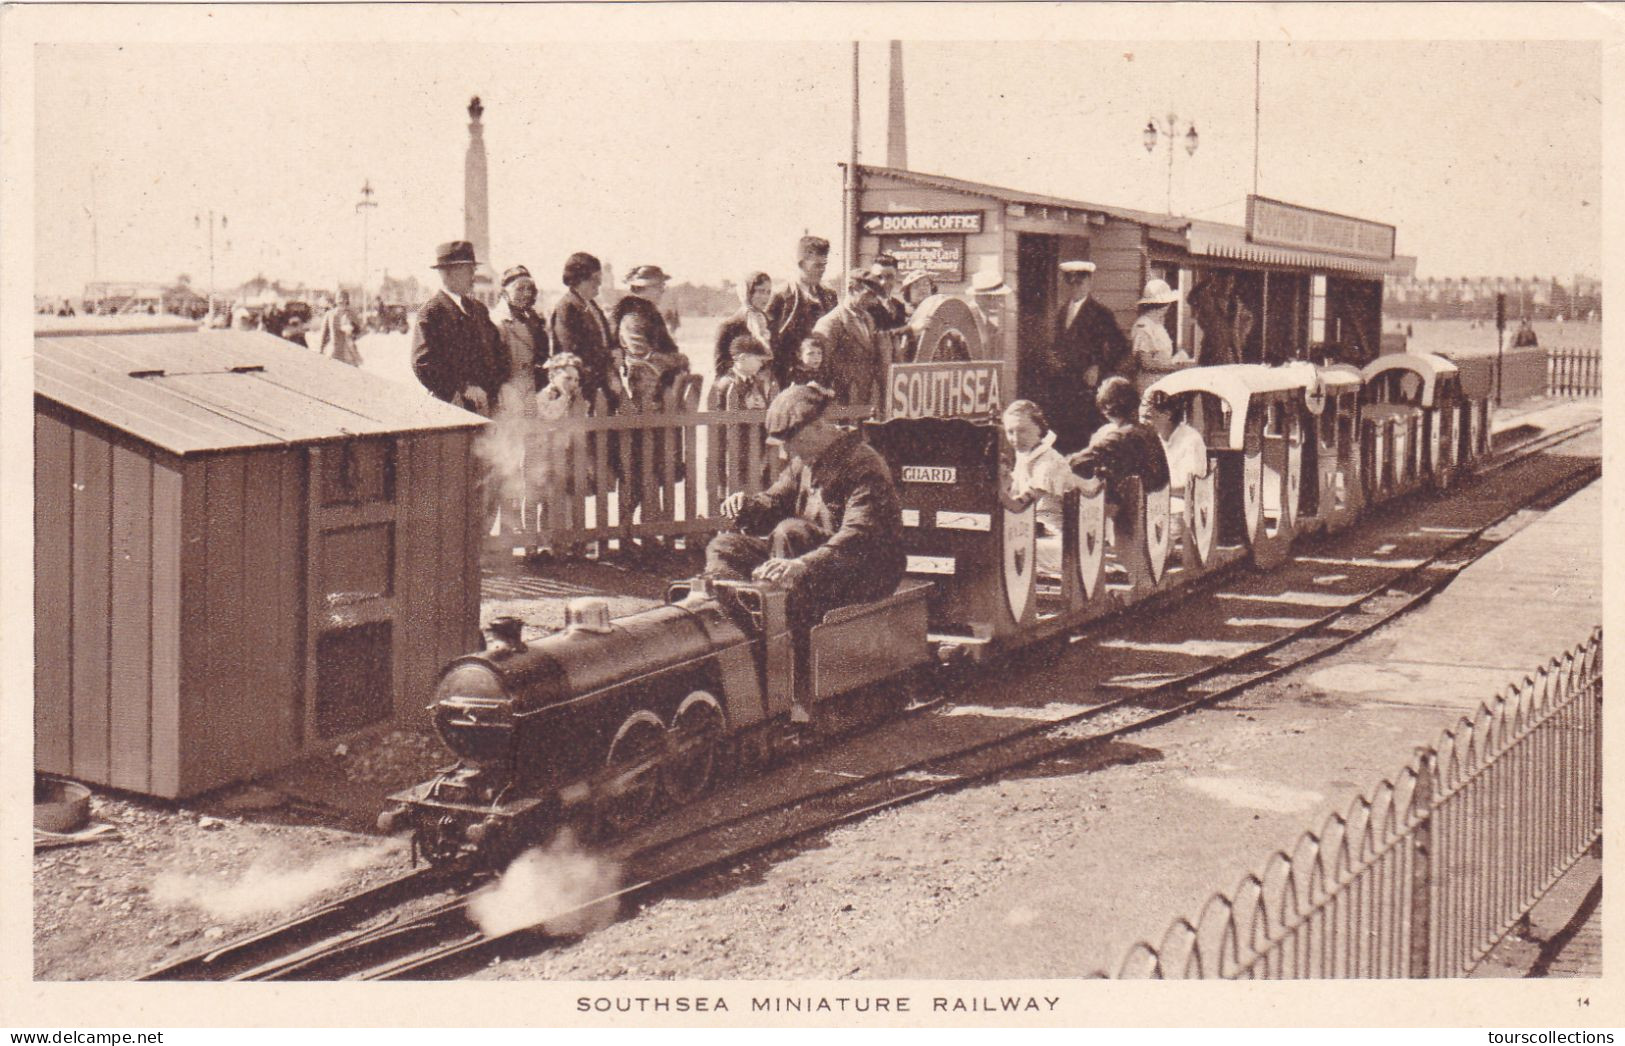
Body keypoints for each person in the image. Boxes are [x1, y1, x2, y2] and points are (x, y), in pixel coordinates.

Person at [705, 383, 906, 632]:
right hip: (809, 561)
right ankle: (736, 627)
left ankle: (788, 635)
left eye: (792, 441)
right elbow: (774, 501)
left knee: (790, 532)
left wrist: (802, 564)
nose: (786, 451)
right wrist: (746, 506)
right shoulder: (805, 461)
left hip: (866, 571)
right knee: (724, 547)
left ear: (819, 427)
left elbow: (859, 535)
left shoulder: (864, 464)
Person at [1047, 260, 1132, 453]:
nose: (1075, 287)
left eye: (1080, 282)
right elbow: (1058, 344)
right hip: (1064, 385)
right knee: (1064, 435)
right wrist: (1053, 357)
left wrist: (1099, 368)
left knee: (1085, 436)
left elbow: (1121, 347)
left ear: (1089, 282)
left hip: (1087, 389)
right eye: (1071, 283)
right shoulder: (1062, 313)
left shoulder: (1101, 313)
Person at [411, 240, 504, 416]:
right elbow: (423, 363)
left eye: (473, 269)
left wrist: (492, 388)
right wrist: (461, 388)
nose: (473, 276)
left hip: (485, 405)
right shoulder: (431, 313)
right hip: (450, 407)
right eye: (469, 270)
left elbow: (497, 351)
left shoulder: (478, 310)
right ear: (449, 273)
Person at [1067, 377, 1170, 534]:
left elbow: (1077, 462)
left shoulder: (1122, 435)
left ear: (1107, 408)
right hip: (1156, 512)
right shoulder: (1148, 432)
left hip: (1134, 515)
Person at [1001, 399, 1090, 577]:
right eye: (1010, 432)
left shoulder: (1048, 462)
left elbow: (1021, 504)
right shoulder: (1025, 455)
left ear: (1039, 429)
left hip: (1060, 542)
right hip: (1034, 533)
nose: (1016, 438)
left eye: (1023, 430)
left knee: (1001, 550)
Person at [549, 251, 625, 414]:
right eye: (595, 279)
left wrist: (617, 351)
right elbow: (571, 354)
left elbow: (607, 340)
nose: (599, 285)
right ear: (579, 279)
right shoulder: (567, 307)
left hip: (604, 388)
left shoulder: (592, 305)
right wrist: (607, 371)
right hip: (585, 391)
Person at [613, 264, 691, 413]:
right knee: (651, 431)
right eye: (659, 286)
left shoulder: (647, 313)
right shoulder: (633, 316)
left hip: (660, 384)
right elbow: (642, 354)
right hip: (647, 385)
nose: (663, 290)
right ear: (645, 287)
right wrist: (677, 360)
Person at [766, 235, 838, 385]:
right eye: (816, 266)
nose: (822, 271)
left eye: (824, 265)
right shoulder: (781, 296)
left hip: (823, 379)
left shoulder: (829, 296)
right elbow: (769, 343)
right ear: (801, 264)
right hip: (789, 379)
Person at [812, 271, 888, 406]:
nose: (873, 301)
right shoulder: (830, 323)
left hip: (865, 399)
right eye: (868, 295)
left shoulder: (868, 319)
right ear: (851, 289)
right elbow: (821, 369)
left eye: (875, 297)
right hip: (841, 402)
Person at [1145, 390, 1208, 546]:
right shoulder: (1151, 438)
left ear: (1167, 415)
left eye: (1148, 416)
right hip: (1158, 503)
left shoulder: (1191, 440)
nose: (1144, 422)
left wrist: (1152, 489)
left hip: (1184, 507)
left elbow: (1190, 488)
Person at [490, 264, 551, 418]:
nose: (526, 294)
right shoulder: (497, 321)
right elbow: (491, 364)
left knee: (532, 434)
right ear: (504, 292)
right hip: (507, 391)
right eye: (519, 289)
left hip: (530, 387)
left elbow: (540, 356)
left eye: (529, 288)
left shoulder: (532, 319)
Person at [1130, 279, 1191, 388]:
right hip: (1150, 384)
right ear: (1163, 305)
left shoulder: (1157, 325)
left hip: (1162, 381)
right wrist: (1175, 367)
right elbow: (1146, 363)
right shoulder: (1144, 326)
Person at [713, 271, 774, 381]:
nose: (765, 297)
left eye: (768, 292)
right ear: (747, 292)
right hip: (738, 387)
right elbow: (720, 369)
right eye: (760, 291)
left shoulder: (770, 324)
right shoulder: (729, 326)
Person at [316, 291, 364, 367]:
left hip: (349, 351)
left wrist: (352, 333)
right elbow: (324, 334)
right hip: (334, 350)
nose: (341, 301)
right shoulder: (329, 314)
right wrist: (320, 350)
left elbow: (360, 331)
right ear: (336, 300)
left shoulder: (352, 314)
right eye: (339, 298)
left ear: (347, 300)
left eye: (343, 298)